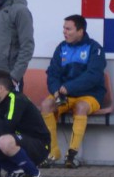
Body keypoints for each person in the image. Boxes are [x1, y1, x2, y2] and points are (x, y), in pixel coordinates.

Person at [41, 15, 107, 169]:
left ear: (80, 31)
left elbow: (93, 76)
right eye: (64, 28)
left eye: (68, 29)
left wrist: (69, 87)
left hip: (90, 95)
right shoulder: (61, 48)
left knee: (81, 107)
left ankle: (72, 155)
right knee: (46, 105)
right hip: (65, 95)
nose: (65, 32)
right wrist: (56, 91)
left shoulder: (94, 48)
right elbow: (52, 74)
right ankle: (52, 152)